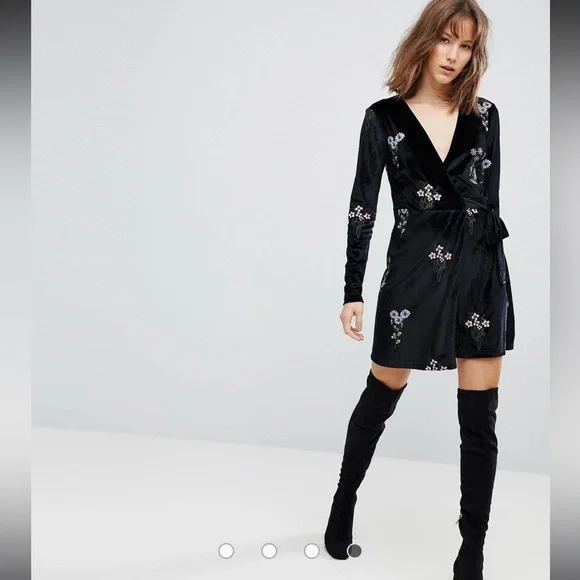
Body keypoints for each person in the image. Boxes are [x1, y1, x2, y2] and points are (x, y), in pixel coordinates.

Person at [323, 1, 515, 578]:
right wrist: (353, 289)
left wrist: (491, 277)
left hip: (479, 273)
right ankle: (343, 500)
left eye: (466, 45)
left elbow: (490, 202)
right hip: (412, 273)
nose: (454, 55)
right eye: (446, 40)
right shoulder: (383, 119)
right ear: (425, 41)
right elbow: (362, 206)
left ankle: (472, 550)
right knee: (382, 392)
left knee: (479, 421)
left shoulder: (486, 116)